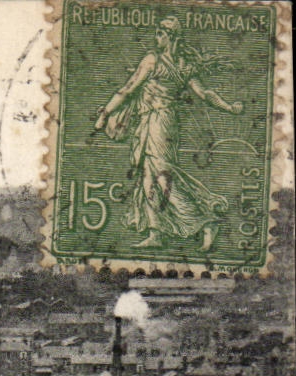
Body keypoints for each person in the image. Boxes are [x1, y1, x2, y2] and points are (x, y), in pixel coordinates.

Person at [93, 16, 245, 250]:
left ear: (171, 36)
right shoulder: (183, 65)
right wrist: (228, 107)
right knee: (148, 177)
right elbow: (205, 93)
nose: (156, 37)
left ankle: (206, 220)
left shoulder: (153, 61)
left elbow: (128, 89)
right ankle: (156, 232)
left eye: (160, 33)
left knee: (162, 176)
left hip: (159, 122)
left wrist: (105, 112)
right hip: (158, 122)